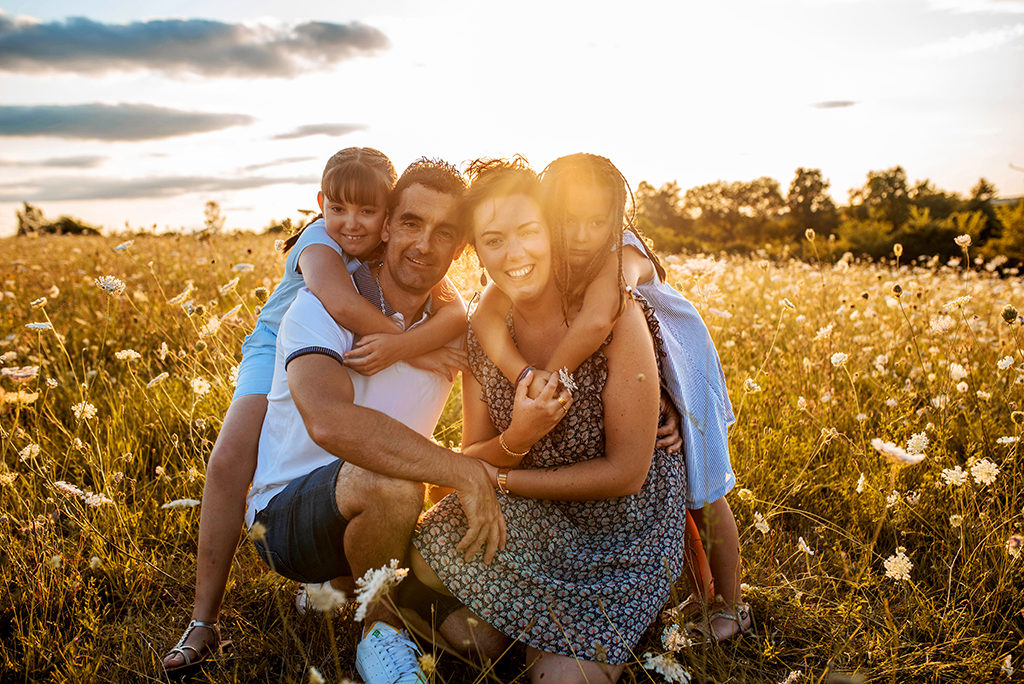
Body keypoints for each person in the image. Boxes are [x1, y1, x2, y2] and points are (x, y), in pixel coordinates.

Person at [162, 150, 468, 674]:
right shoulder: (321, 252)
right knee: (233, 456)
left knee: (475, 639)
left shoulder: (436, 292)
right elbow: (339, 312)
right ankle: (203, 619)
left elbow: (461, 310)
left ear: (382, 214)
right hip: (273, 347)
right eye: (412, 222)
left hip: (360, 455)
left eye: (366, 211)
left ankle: (342, 585)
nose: (353, 223)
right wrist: (408, 346)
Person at [407, 158, 688, 683]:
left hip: (622, 528)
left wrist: (506, 479)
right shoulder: (482, 331)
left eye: (529, 232)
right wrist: (518, 438)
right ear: (477, 250)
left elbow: (627, 474)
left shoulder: (614, 315)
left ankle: (569, 634)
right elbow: (472, 458)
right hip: (537, 512)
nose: (515, 254)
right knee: (430, 550)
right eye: (493, 240)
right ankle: (516, 628)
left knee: (560, 680)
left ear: (551, 229)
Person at [242, 158, 506, 684]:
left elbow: (485, 442)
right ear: (386, 225)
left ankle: (363, 582)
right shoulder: (323, 307)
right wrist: (458, 472)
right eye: (411, 223)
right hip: (285, 516)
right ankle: (379, 633)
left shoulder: (457, 331)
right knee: (389, 479)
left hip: (393, 513)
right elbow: (329, 422)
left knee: (482, 640)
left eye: (443, 233)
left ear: (459, 250)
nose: (423, 245)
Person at [472, 153, 747, 643]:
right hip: (647, 376)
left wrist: (550, 378)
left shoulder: (621, 258)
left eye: (596, 222)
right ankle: (696, 592)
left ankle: (730, 606)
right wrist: (521, 372)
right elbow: (485, 312)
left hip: (685, 366)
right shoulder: (548, 259)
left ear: (616, 219)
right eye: (568, 221)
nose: (581, 235)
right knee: (675, 487)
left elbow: (601, 321)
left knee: (703, 490)